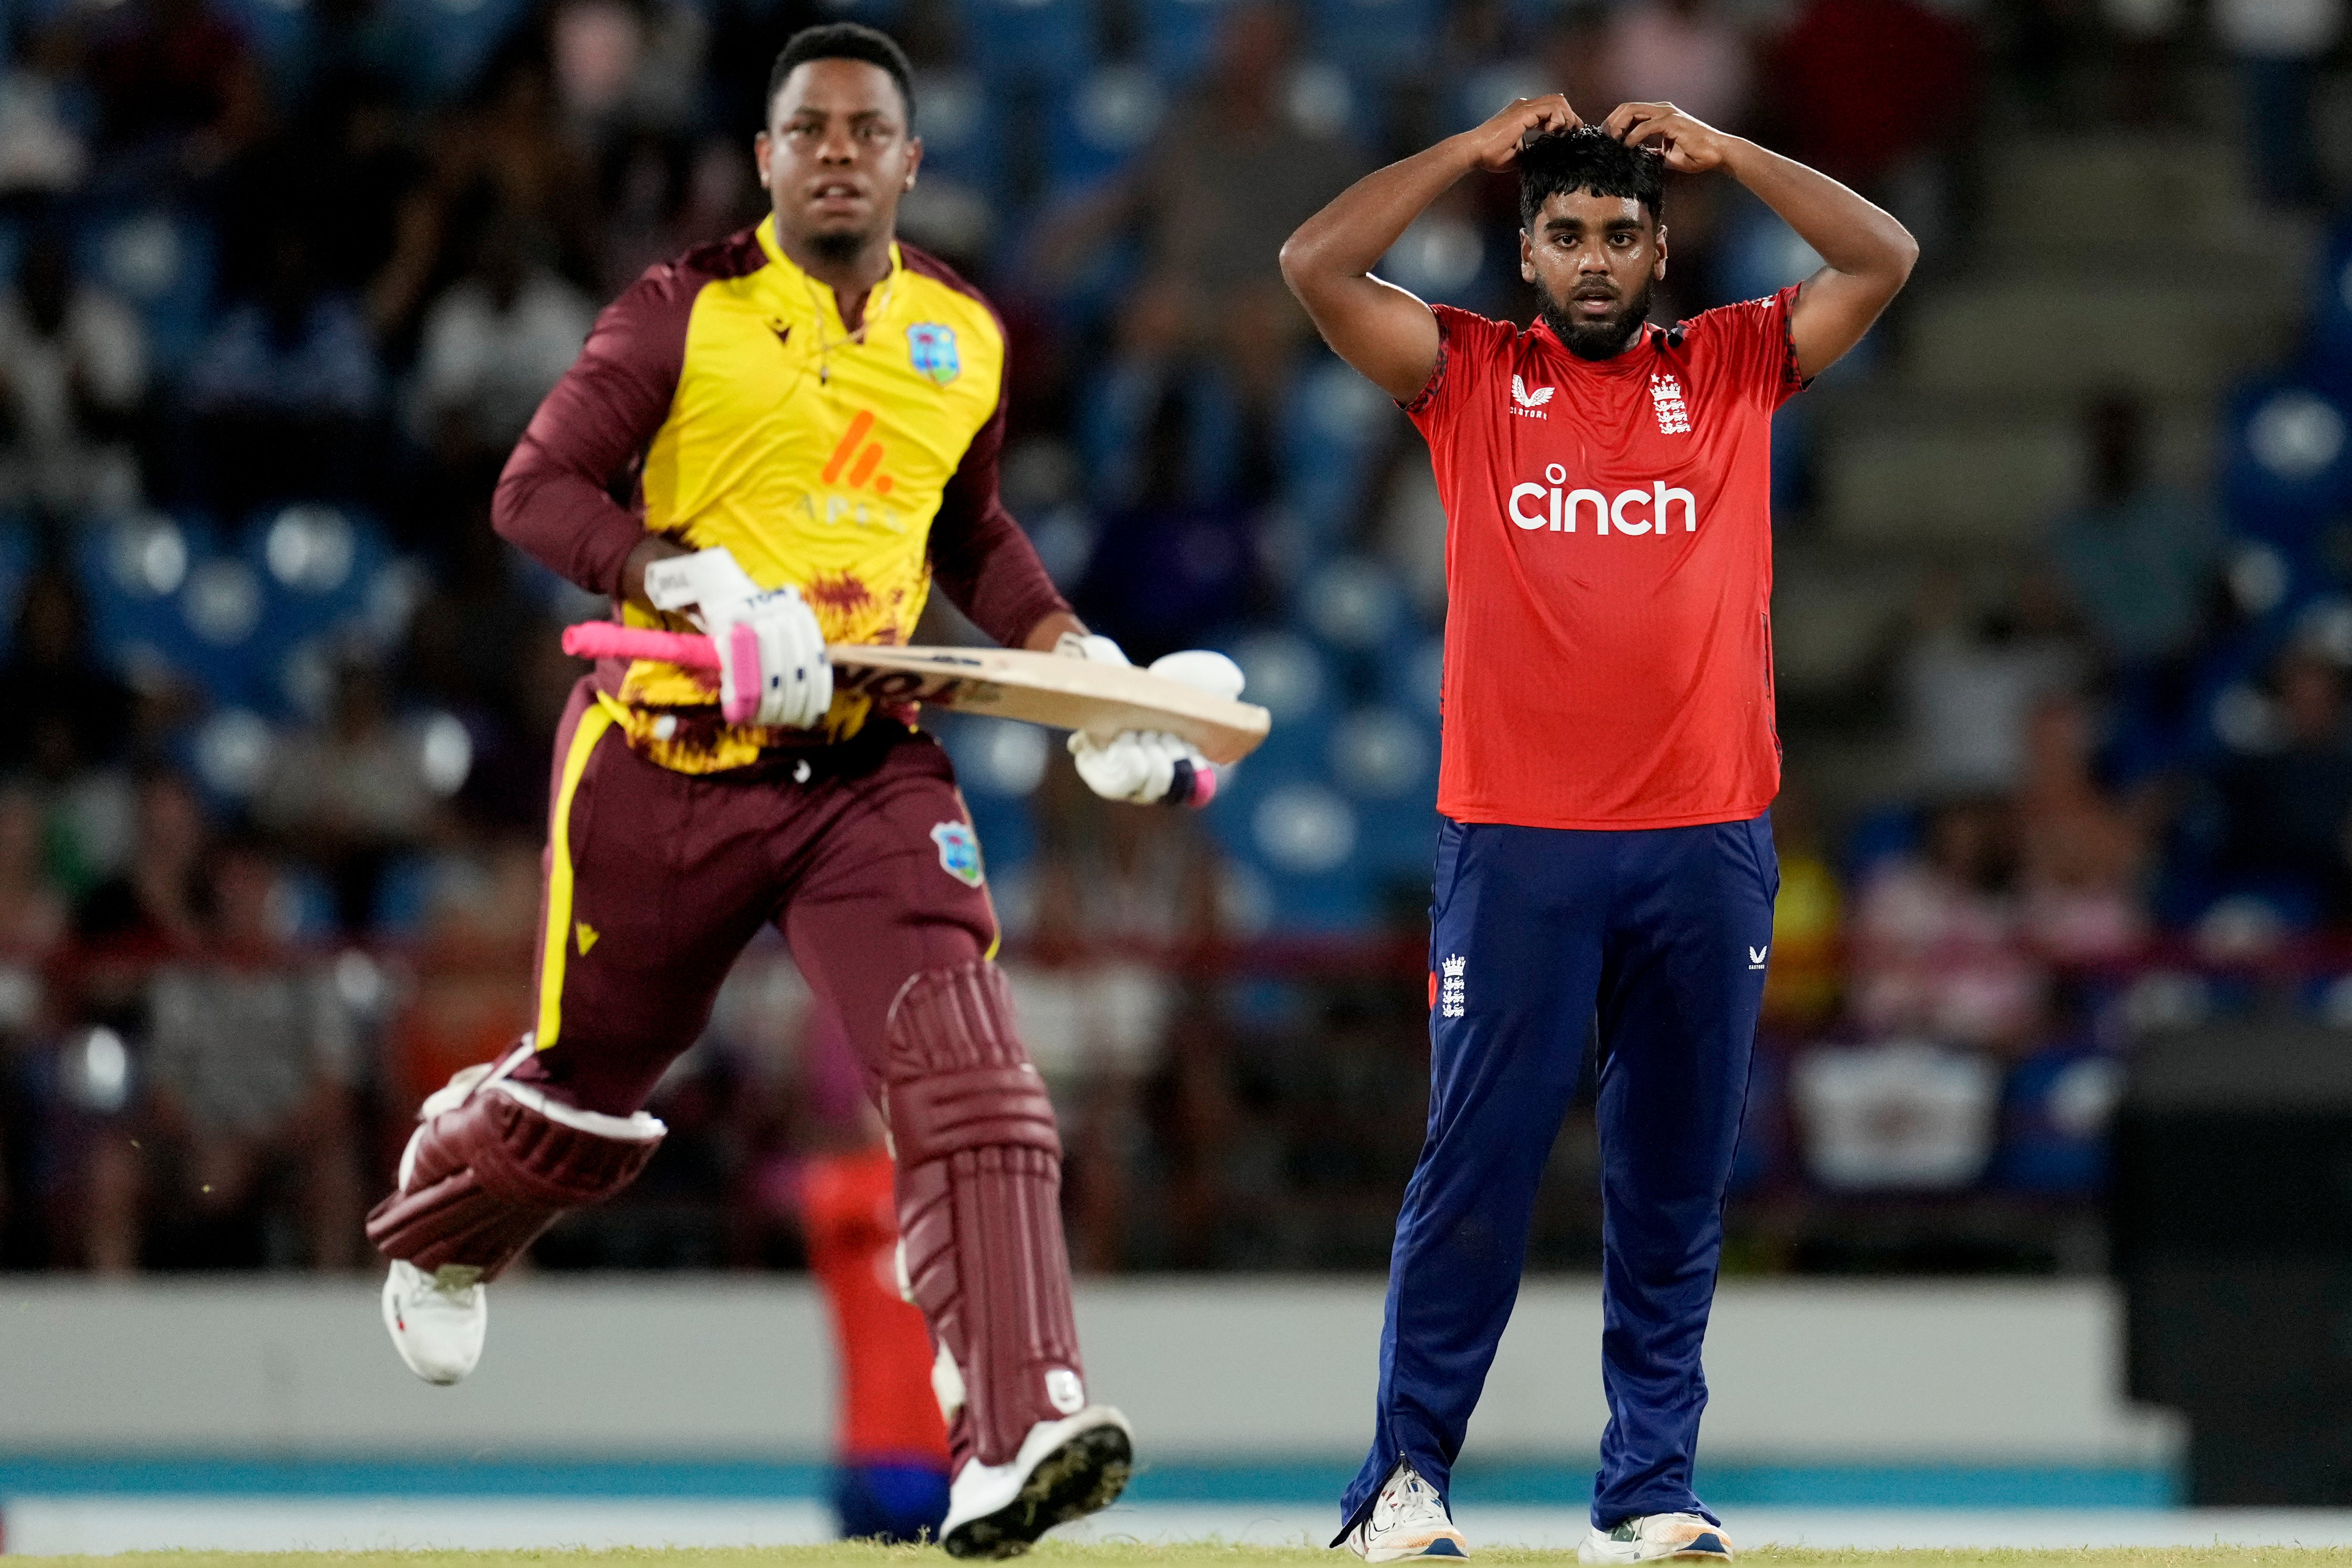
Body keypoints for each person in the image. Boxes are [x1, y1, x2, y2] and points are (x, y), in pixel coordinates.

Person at [363, 24, 1239, 1556]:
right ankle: (444, 1216)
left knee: (976, 1079)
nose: (838, 149)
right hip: (663, 758)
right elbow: (533, 489)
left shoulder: (962, 334)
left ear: (911, 161)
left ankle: (1018, 1428)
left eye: (867, 130)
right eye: (809, 129)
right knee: (587, 1099)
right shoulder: (679, 312)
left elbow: (967, 533)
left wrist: (1077, 659)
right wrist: (676, 575)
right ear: (767, 161)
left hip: (869, 773)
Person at [1281, 97, 1915, 1562]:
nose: (1594, 260)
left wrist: (1740, 151)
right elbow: (1317, 264)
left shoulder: (1739, 361)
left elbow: (1883, 255)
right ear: (1523, 252)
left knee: (1675, 1182)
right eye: (1565, 234)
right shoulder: (1466, 375)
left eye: (1621, 235)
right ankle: (1403, 1486)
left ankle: (1645, 1495)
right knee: (1480, 1166)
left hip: (1707, 841)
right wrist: (1461, 148)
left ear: (1660, 249)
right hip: (1517, 843)